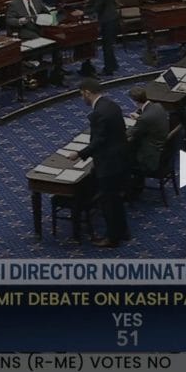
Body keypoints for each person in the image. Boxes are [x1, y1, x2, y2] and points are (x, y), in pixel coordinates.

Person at [66, 79, 128, 247]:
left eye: (82, 95)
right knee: (116, 199)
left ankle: (112, 238)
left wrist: (79, 154)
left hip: (108, 163)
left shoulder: (99, 113)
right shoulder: (112, 105)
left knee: (108, 202)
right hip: (120, 158)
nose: (82, 98)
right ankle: (123, 231)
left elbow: (99, 141)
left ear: (87, 92)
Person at [72, 0, 119, 76]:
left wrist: (83, 12)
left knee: (107, 45)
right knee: (107, 45)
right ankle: (113, 65)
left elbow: (98, 5)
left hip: (110, 19)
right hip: (105, 18)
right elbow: (91, 3)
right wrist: (82, 9)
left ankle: (109, 70)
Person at [126, 87, 168, 198]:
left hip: (150, 156)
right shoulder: (158, 106)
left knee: (122, 157)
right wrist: (140, 118)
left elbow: (130, 133)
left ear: (134, 101)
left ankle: (131, 190)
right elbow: (148, 121)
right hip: (160, 147)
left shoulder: (145, 118)